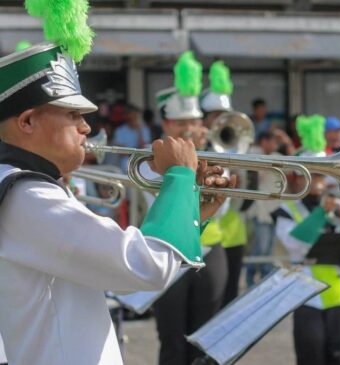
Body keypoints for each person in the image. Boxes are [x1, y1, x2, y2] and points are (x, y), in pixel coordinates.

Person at [0, 43, 233, 365]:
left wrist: (191, 212)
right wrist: (179, 177)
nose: (86, 127)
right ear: (27, 122)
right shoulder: (28, 196)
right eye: (73, 114)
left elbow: (122, 279)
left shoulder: (28, 189)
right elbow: (146, 267)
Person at [143, 52, 234, 365]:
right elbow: (159, 205)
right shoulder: (147, 159)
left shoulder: (213, 152)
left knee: (207, 341)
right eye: (182, 123)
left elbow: (222, 207)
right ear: (166, 123)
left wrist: (215, 159)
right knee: (172, 341)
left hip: (211, 252)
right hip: (169, 254)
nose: (190, 128)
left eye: (195, 121)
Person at [272, 115, 340, 365]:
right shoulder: (287, 210)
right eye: (313, 174)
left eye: (322, 175)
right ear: (299, 176)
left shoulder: (336, 205)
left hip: (336, 293)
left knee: (336, 355)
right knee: (310, 356)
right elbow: (296, 244)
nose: (318, 181)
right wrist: (321, 213)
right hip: (305, 295)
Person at [200, 60, 248, 306]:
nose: (221, 122)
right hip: (205, 236)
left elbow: (246, 194)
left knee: (229, 301)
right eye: (216, 116)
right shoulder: (198, 148)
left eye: (225, 117)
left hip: (231, 234)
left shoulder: (235, 145)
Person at [245, 131, 281, 287]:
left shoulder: (277, 155)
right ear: (264, 141)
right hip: (260, 210)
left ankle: (259, 277)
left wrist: (287, 141)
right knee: (263, 247)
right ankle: (254, 277)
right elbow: (255, 178)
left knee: (266, 247)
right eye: (273, 141)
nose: (276, 145)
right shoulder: (252, 154)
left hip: (274, 209)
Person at [113, 103, 151, 173]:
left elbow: (145, 148)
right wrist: (137, 150)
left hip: (141, 161)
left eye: (136, 115)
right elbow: (121, 152)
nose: (135, 117)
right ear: (127, 116)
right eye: (133, 114)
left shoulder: (144, 129)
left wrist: (139, 131)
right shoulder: (120, 131)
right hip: (126, 163)